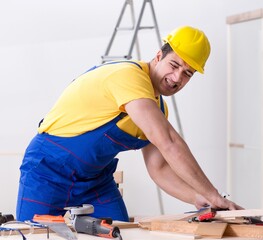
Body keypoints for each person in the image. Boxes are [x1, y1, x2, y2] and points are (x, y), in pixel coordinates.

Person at [16, 26, 242, 222]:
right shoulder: (128, 76)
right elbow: (168, 141)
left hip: (95, 182)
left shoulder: (158, 109)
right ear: (158, 56)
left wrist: (198, 198)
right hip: (48, 171)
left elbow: (160, 169)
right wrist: (214, 195)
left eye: (187, 74)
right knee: (33, 234)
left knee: (119, 232)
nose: (176, 78)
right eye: (174, 65)